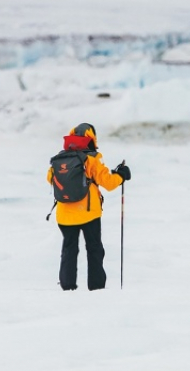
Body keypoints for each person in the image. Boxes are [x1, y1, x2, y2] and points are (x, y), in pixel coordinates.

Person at [46, 123, 131, 291]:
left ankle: (67, 286)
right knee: (94, 249)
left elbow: (50, 179)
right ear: (92, 138)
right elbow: (108, 183)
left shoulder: (60, 159)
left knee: (69, 249)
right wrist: (121, 176)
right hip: (88, 213)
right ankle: (96, 287)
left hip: (64, 214)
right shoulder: (92, 158)